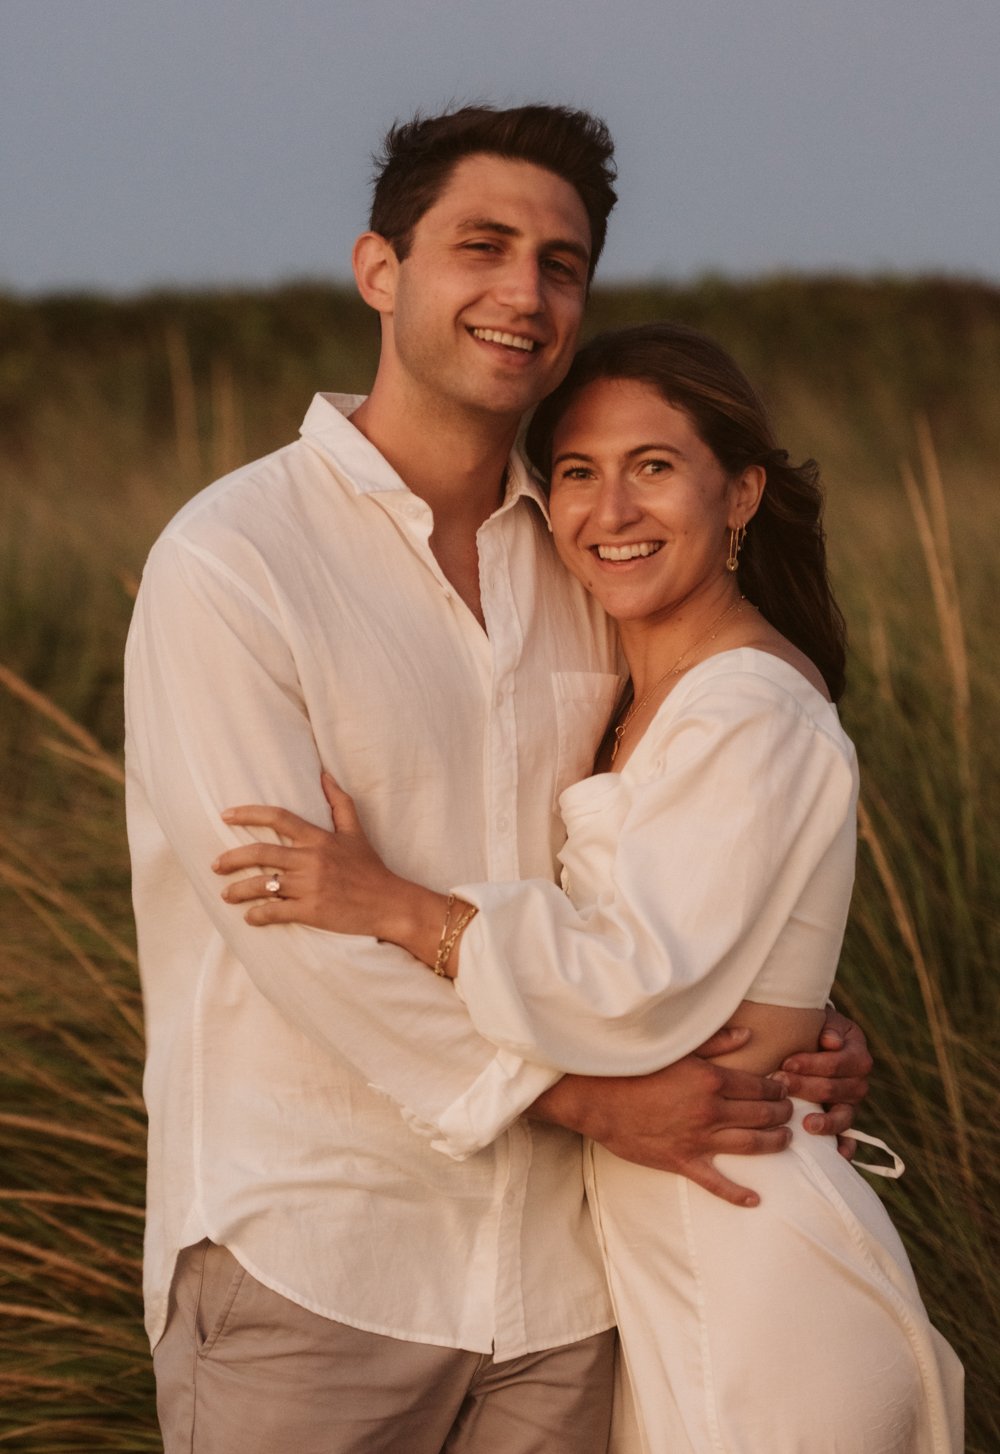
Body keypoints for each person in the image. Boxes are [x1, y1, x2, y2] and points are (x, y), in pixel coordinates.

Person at [126, 105, 872, 1453]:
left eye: (561, 261)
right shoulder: (234, 561)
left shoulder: (591, 559)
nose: (524, 292)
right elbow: (286, 926)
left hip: (568, 1283)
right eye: (483, 245)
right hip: (319, 1257)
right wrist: (590, 1096)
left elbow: (681, 843)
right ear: (381, 270)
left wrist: (786, 1012)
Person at [214, 323, 963, 1453]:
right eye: (576, 471)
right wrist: (805, 1014)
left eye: (653, 466)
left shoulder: (742, 706)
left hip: (750, 1257)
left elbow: (626, 984)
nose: (610, 509)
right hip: (662, 1260)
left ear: (741, 494)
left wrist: (397, 906)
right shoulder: (634, 688)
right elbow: (711, 930)